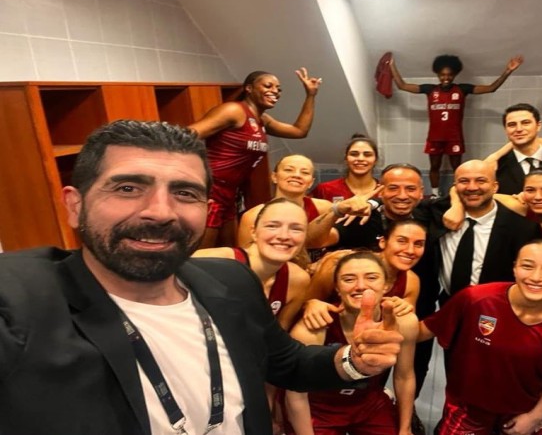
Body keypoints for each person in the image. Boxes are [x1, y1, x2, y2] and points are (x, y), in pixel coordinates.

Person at [0, 120, 403, 435]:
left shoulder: (230, 281)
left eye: (185, 193)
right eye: (127, 188)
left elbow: (285, 362)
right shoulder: (22, 301)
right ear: (75, 205)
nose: (160, 212)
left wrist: (353, 360)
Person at [418, 240, 542, 435]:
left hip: (527, 411)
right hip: (468, 410)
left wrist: (536, 416)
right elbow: (423, 330)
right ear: (515, 268)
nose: (536, 277)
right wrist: (396, 315)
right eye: (527, 266)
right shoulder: (475, 299)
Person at [412, 159, 540, 407]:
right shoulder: (436, 214)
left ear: (495, 186)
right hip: (450, 306)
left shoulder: (521, 229)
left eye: (480, 180)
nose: (472, 187)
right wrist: (455, 204)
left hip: (499, 312)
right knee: (454, 367)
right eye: (464, 181)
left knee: (494, 373)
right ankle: (456, 417)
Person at [286, 252, 419, 435]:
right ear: (337, 287)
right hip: (319, 408)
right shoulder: (314, 327)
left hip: (369, 404)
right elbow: (295, 395)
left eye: (371, 278)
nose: (361, 286)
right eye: (349, 279)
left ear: (387, 285)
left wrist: (405, 429)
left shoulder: (402, 321)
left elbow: (404, 376)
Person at [188, 68, 322, 248]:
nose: (275, 91)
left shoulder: (262, 120)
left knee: (229, 253)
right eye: (268, 86)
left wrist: (310, 95)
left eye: (278, 89)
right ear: (249, 88)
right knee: (200, 255)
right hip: (211, 191)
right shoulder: (234, 110)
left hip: (230, 194)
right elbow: (187, 135)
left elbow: (299, 131)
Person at [390, 54, 524, 197]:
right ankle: (435, 194)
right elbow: (402, 85)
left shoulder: (462, 89)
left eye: (449, 75)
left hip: (454, 137)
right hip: (434, 137)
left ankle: (458, 194)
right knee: (434, 166)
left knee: (458, 168)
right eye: (442, 75)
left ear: (455, 74)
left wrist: (508, 71)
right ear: (437, 74)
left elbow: (491, 88)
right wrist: (391, 66)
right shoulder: (430, 89)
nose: (446, 78)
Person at [194, 198, 311, 331]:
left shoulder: (297, 280)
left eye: (296, 229)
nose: (284, 236)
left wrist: (311, 304)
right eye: (272, 226)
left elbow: (278, 337)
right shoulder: (212, 261)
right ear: (254, 232)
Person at [303, 219, 427, 331]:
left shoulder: (411, 280)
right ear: (383, 242)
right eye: (401, 241)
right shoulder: (341, 264)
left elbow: (406, 328)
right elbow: (303, 304)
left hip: (376, 341)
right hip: (327, 336)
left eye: (418, 244)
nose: (410, 250)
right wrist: (310, 304)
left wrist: (404, 308)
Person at [308, 163, 426, 251]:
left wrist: (373, 202)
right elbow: (311, 242)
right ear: (380, 191)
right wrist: (336, 210)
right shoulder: (360, 218)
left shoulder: (428, 215)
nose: (402, 196)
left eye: (411, 189)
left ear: (421, 193)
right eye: (393, 188)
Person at [237, 154, 332, 248]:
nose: (297, 175)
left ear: (311, 182)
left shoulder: (325, 209)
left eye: (305, 172)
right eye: (288, 170)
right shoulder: (252, 216)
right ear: (274, 177)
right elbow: (246, 255)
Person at [485, 103, 542, 196]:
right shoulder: (496, 166)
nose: (519, 129)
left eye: (525, 123)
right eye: (512, 125)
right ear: (505, 129)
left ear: (538, 125)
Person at [311, 134, 379, 202]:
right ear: (346, 159)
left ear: (376, 160)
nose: (360, 158)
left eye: (367, 155)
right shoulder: (324, 190)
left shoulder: (383, 190)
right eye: (354, 154)